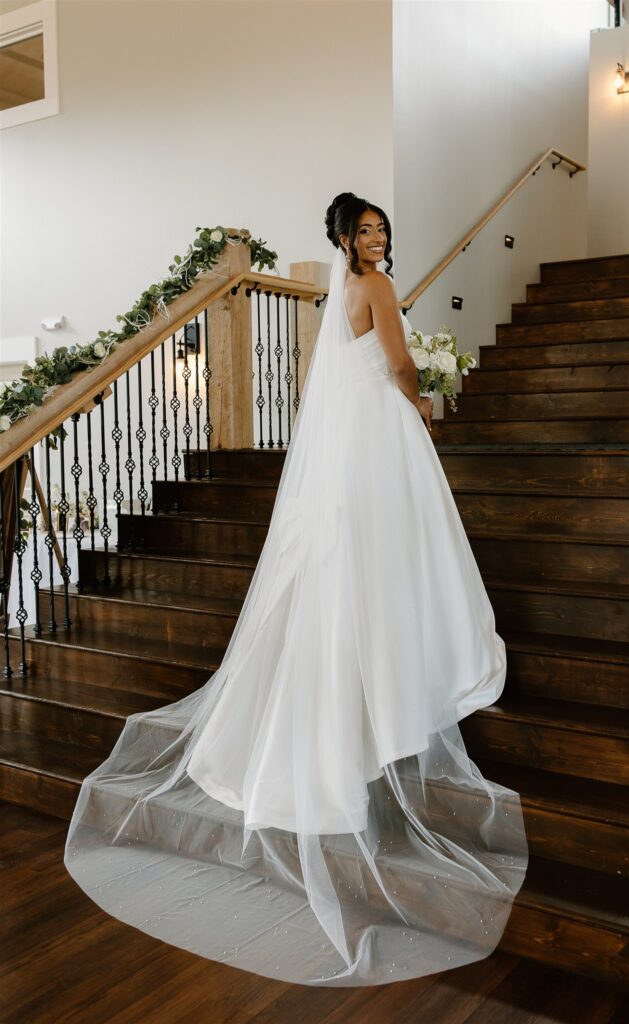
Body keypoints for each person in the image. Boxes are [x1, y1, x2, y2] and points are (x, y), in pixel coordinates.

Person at [63, 192, 528, 987]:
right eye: (365, 231)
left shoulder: (339, 291)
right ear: (344, 239)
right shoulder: (374, 288)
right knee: (398, 557)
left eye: (382, 228)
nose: (377, 239)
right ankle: (383, 695)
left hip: (355, 446)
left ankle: (344, 711)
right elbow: (398, 360)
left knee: (360, 567)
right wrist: (423, 394)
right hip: (382, 432)